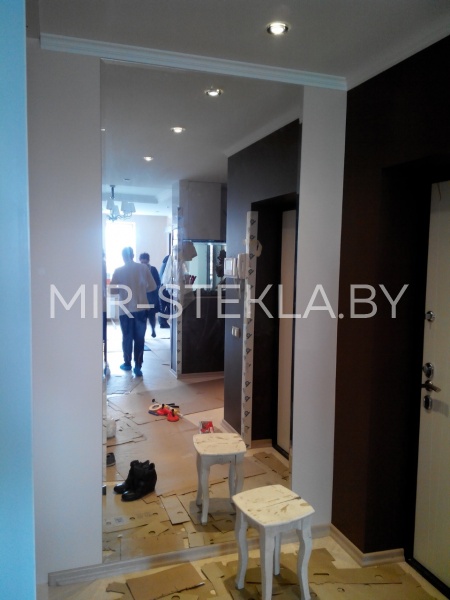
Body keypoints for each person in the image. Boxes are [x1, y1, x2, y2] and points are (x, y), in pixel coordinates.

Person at [109, 247, 156, 377]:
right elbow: (152, 286)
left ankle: (127, 363)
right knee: (140, 338)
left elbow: (112, 291)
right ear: (133, 255)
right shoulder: (143, 268)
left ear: (123, 256)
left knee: (127, 337)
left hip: (125, 309)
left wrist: (122, 290)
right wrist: (141, 289)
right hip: (141, 308)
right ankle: (138, 366)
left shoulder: (118, 271)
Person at [139, 252, 161, 338]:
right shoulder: (138, 270)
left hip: (151, 296)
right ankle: (142, 335)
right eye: (142, 262)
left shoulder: (153, 269)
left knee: (151, 315)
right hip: (142, 297)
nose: (144, 264)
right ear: (140, 261)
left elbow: (158, 282)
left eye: (145, 262)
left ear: (148, 261)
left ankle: (153, 329)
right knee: (142, 316)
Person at [158, 254, 171, 328]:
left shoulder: (165, 262)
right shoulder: (169, 262)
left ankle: (162, 321)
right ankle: (162, 321)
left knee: (162, 306)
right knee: (170, 304)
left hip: (161, 285)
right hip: (165, 286)